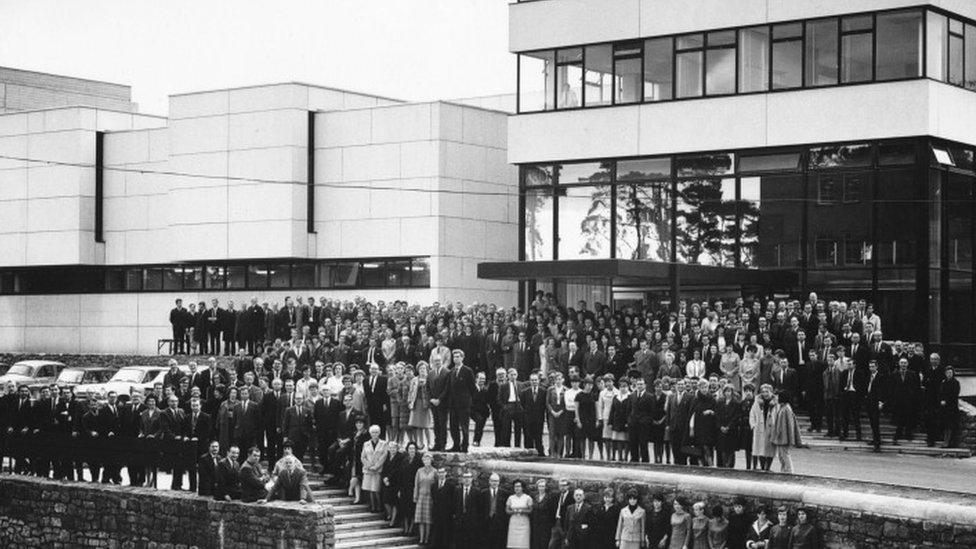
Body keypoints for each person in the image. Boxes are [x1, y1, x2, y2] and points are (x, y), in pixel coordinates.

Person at [447, 349, 477, 452]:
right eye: (454, 357)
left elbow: (473, 388)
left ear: (462, 358)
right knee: (453, 426)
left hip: (464, 404)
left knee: (464, 426)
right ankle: (456, 445)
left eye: (458, 357)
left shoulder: (468, 371)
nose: (455, 359)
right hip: (453, 404)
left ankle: (464, 446)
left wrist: (470, 403)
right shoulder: (451, 371)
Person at [769, 391, 802, 473]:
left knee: (785, 455)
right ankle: (784, 470)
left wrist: (791, 438)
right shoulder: (782, 408)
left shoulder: (786, 409)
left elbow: (790, 425)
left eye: (777, 397)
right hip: (781, 437)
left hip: (784, 437)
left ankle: (789, 471)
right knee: (781, 455)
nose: (776, 398)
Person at [361, 425, 388, 513]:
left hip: (378, 470)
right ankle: (373, 507)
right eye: (373, 432)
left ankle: (379, 507)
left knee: (376, 489)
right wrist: (369, 466)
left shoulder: (384, 443)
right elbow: (363, 457)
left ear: (379, 433)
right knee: (370, 490)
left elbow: (384, 456)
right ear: (370, 433)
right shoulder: (366, 444)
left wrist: (376, 466)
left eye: (376, 432)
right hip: (368, 470)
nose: (374, 434)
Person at [455, 470, 485, 549]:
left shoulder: (477, 491)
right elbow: (454, 505)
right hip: (460, 520)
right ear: (462, 479)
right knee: (459, 541)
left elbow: (480, 507)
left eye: (469, 477)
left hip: (472, 521)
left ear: (472, 479)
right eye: (465, 477)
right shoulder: (457, 491)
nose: (467, 479)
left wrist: (477, 519)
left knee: (471, 542)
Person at [398, 442, 422, 535]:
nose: (412, 450)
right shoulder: (405, 460)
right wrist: (400, 489)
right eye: (410, 448)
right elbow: (400, 475)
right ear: (407, 450)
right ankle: (406, 528)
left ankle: (411, 529)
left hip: (413, 488)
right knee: (404, 509)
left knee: (412, 509)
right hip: (404, 488)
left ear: (416, 450)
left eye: (413, 448)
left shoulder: (419, 461)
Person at [413, 452, 437, 545]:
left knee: (428, 520)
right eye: (425, 459)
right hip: (421, 497)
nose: (427, 461)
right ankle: (421, 539)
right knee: (421, 520)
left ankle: (427, 539)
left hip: (430, 497)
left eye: (428, 459)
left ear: (431, 460)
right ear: (423, 461)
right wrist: (415, 496)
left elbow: (436, 485)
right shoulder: (419, 471)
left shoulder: (435, 471)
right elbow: (416, 485)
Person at [506, 478, 533, 549]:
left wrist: (521, 511)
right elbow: (507, 510)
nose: (517, 488)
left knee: (523, 543)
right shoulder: (511, 498)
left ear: (522, 488)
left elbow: (530, 510)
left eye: (518, 486)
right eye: (515, 486)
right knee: (513, 543)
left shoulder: (527, 498)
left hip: (524, 523)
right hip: (513, 523)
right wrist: (514, 511)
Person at [381, 441, 403, 527]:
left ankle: (392, 521)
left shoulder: (400, 457)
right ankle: (390, 515)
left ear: (397, 449)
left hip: (395, 482)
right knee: (386, 501)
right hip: (387, 483)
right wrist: (384, 478)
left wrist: (388, 478)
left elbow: (397, 470)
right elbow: (384, 468)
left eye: (394, 448)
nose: (392, 449)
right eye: (390, 448)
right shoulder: (387, 456)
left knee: (394, 503)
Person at [486, 472, 510, 549]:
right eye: (493, 481)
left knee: (499, 542)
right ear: (489, 481)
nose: (494, 483)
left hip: (500, 522)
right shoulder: (483, 492)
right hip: (487, 521)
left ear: (499, 482)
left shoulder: (504, 493)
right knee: (487, 542)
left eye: (496, 481)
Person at [940, 366, 961, 448]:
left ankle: (948, 443)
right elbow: (940, 393)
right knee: (945, 425)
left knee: (950, 425)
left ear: (953, 374)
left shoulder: (956, 383)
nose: (949, 374)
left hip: (952, 407)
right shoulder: (943, 382)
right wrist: (941, 400)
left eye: (950, 373)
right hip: (944, 408)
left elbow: (954, 395)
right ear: (945, 374)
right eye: (947, 373)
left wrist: (946, 401)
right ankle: (945, 441)